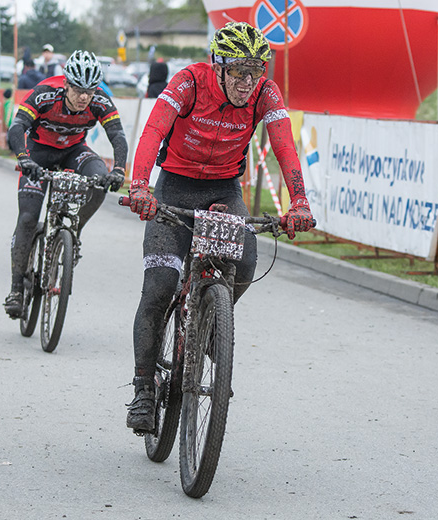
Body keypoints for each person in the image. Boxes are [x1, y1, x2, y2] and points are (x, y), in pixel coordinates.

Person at [124, 22, 315, 433]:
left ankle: (211, 320)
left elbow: (284, 143)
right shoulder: (189, 82)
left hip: (223, 190)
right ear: (218, 65)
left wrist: (299, 200)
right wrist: (139, 185)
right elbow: (154, 129)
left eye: (256, 70)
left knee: (245, 263)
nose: (248, 82)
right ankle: (143, 387)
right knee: (158, 287)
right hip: (174, 188)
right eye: (238, 71)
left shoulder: (264, 92)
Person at [3, 50, 127, 318]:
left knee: (98, 178)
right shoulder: (45, 93)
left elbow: (117, 134)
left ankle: (75, 233)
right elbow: (17, 127)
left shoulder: (99, 100)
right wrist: (24, 158)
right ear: (67, 84)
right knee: (27, 218)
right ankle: (15, 288)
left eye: (90, 91)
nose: (84, 97)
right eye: (79, 90)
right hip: (38, 153)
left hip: (73, 150)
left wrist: (118, 170)